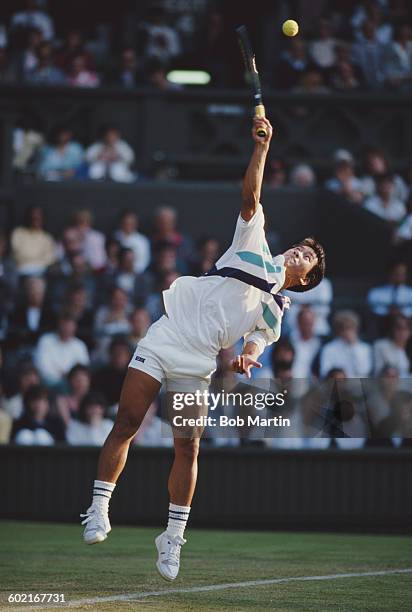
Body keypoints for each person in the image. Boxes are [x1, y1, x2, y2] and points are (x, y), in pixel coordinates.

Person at [80, 116, 326, 581]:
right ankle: (98, 508)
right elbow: (251, 194)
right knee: (127, 422)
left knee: (188, 449)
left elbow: (255, 344)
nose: (298, 252)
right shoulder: (254, 241)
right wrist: (262, 148)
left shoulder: (276, 309)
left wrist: (247, 357)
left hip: (197, 365)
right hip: (167, 335)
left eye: (307, 256)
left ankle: (171, 539)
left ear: (308, 278)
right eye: (298, 247)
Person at [35, 314, 90, 387]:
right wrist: (62, 375)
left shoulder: (80, 345)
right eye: (65, 325)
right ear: (59, 325)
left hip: (73, 383)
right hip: (50, 382)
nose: (67, 329)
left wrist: (69, 376)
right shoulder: (46, 340)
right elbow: (42, 367)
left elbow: (83, 368)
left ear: (75, 327)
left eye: (70, 326)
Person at [320, 310, 372, 378]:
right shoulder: (329, 348)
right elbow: (325, 372)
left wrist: (353, 346)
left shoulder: (365, 348)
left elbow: (364, 370)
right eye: (344, 328)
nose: (347, 332)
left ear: (356, 328)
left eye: (351, 327)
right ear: (338, 330)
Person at [10, 205, 56, 275]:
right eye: (33, 217)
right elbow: (17, 254)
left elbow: (50, 258)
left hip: (42, 271)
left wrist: (36, 264)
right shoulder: (18, 233)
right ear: (28, 217)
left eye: (38, 217)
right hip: (21, 270)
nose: (35, 219)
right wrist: (35, 260)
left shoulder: (47, 237)